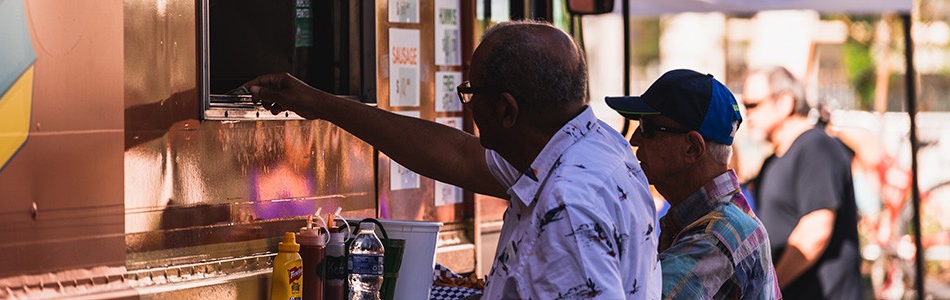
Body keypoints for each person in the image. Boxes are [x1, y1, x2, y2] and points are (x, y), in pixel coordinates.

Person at [244, 20, 660, 299]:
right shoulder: (595, 148)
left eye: (470, 92)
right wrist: (320, 103)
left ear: (506, 111)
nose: (467, 106)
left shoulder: (567, 206)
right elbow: (458, 154)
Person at [606, 69, 781, 299]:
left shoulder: (715, 238)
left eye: (648, 128)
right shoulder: (716, 221)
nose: (634, 139)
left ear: (692, 148)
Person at [742, 66, 862, 299]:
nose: (747, 114)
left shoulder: (816, 148)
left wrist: (769, 287)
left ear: (785, 102)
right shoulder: (772, 161)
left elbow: (815, 232)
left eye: (753, 105)